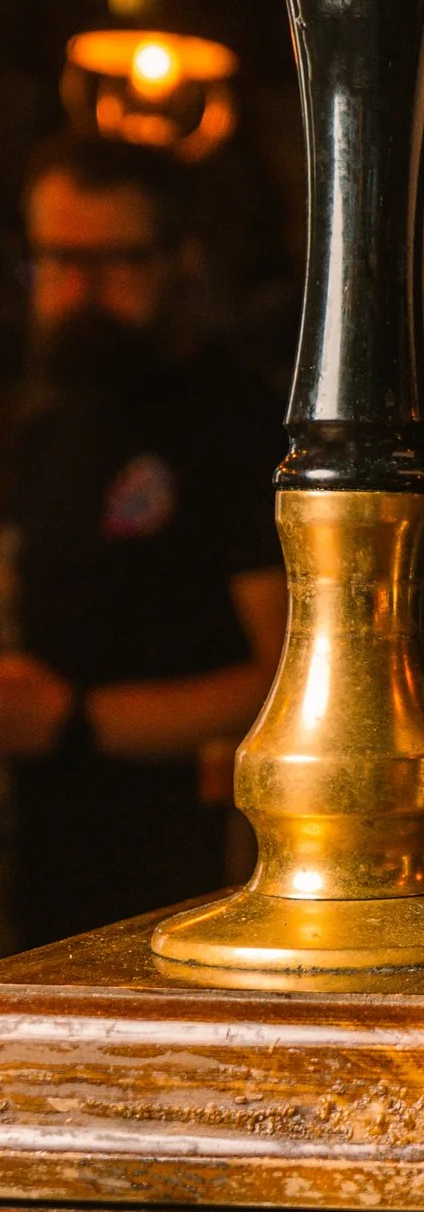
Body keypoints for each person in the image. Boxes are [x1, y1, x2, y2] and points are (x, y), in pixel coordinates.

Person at [0, 133, 285, 945]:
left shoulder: (239, 423)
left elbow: (288, 677)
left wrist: (77, 720)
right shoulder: (48, 423)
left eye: (112, 262)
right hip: (49, 870)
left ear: (179, 259)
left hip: (195, 878)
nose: (79, 290)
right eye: (56, 260)